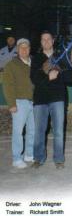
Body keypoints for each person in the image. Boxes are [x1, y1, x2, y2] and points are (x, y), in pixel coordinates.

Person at [31, 31, 72, 169]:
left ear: (53, 41)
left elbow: (71, 81)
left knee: (58, 131)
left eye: (48, 39)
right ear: (40, 42)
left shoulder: (61, 57)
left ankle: (59, 160)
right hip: (40, 99)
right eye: (43, 39)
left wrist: (61, 73)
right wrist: (48, 77)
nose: (46, 41)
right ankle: (38, 158)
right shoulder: (37, 58)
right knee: (39, 130)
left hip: (57, 99)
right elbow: (34, 79)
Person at [2, 38, 34, 168]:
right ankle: (16, 158)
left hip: (34, 102)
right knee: (18, 132)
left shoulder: (34, 63)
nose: (24, 50)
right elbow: (8, 86)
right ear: (17, 49)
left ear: (29, 49)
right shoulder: (11, 65)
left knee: (32, 130)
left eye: (26, 47)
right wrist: (11, 104)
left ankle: (29, 154)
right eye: (21, 47)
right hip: (19, 103)